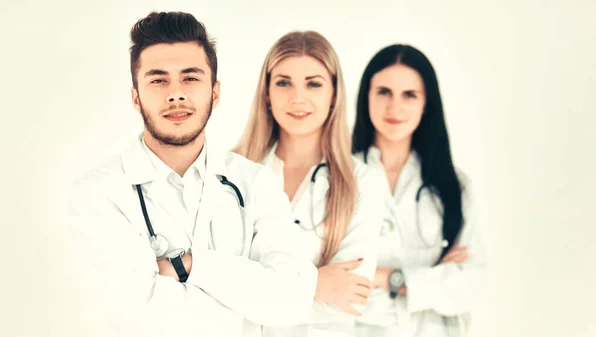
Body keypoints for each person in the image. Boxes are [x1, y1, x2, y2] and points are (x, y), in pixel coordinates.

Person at [67, 11, 318, 337]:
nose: (176, 94)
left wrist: (187, 265)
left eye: (190, 77)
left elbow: (293, 302)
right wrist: (246, 301)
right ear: (135, 96)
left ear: (214, 93)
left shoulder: (254, 182)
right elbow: (137, 318)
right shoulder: (98, 193)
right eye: (158, 80)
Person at [233, 31, 384, 337]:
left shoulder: (363, 181)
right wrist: (317, 284)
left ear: (333, 95)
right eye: (284, 82)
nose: (297, 98)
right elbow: (212, 286)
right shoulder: (230, 173)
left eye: (313, 84)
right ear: (267, 93)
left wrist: (257, 288)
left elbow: (349, 298)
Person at [351, 44, 487, 337]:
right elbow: (331, 280)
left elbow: (471, 283)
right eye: (384, 92)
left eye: (409, 95)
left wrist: (387, 278)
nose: (394, 107)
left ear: (427, 103)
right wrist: (432, 276)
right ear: (366, 97)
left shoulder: (454, 186)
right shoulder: (338, 178)